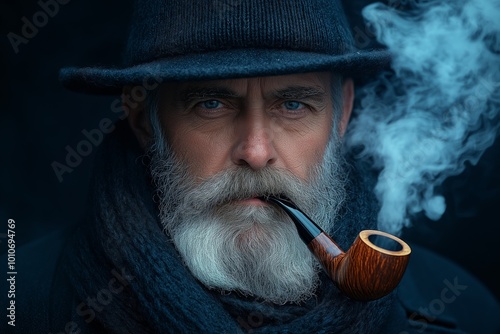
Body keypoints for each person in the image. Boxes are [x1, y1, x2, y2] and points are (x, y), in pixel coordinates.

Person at [2, 0, 499, 333]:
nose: (256, 151)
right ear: (142, 116)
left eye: (294, 105)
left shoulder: (456, 309)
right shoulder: (23, 302)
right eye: (211, 105)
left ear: (342, 113)